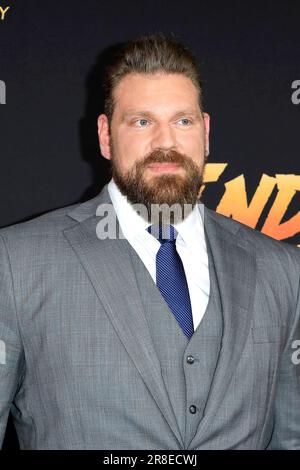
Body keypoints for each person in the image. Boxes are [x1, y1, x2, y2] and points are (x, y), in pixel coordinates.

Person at [0, 34, 299, 450]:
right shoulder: (15, 263)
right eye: (142, 121)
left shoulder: (281, 269)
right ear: (106, 136)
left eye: (183, 121)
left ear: (206, 131)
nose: (165, 143)